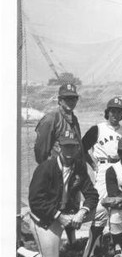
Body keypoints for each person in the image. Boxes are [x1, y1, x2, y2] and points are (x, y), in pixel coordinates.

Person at [18, 130, 98, 257]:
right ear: (58, 147)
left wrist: (82, 212)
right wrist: (59, 217)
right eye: (66, 146)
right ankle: (21, 250)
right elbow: (36, 201)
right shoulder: (45, 168)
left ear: (78, 148)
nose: (69, 150)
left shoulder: (79, 166)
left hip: (68, 214)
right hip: (46, 217)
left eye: (73, 146)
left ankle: (93, 248)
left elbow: (92, 194)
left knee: (101, 210)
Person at [80, 97, 122, 257]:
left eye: (119, 111)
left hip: (121, 168)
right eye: (113, 111)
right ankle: (89, 253)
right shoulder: (98, 128)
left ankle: (119, 245)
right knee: (101, 209)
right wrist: (92, 163)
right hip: (103, 168)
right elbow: (82, 147)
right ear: (107, 113)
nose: (115, 114)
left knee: (121, 205)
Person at [34, 83, 87, 245]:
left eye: (74, 98)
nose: (71, 102)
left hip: (71, 171)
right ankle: (48, 240)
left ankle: (72, 242)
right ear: (59, 100)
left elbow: (78, 146)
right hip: (56, 171)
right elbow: (41, 149)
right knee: (54, 205)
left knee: (72, 205)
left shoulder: (73, 119)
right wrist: (47, 171)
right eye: (67, 98)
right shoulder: (51, 118)